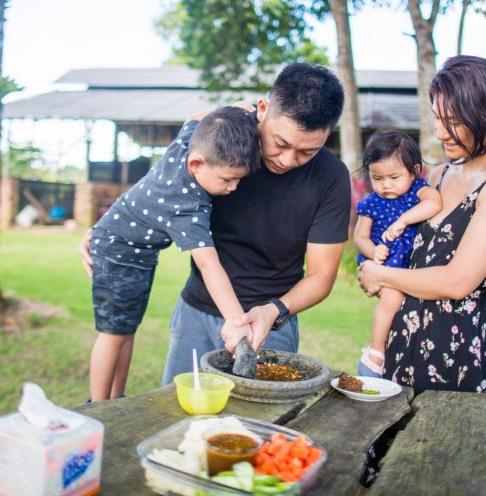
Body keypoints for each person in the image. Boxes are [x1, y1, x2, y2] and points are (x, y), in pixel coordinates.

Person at [80, 63, 351, 387]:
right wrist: (112, 231)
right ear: (262, 110)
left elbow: (321, 275)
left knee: (260, 418)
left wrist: (274, 310)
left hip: (269, 325)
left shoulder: (332, 178)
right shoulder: (225, 138)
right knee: (179, 413)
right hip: (196, 312)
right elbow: (165, 178)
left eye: (307, 151)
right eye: (280, 143)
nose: (287, 160)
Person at [358, 55, 486, 494]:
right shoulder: (437, 174)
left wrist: (383, 276)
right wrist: (375, 263)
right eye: (438, 119)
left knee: (446, 470)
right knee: (394, 474)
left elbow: (457, 281)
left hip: (457, 353)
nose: (440, 133)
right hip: (402, 343)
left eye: (453, 122)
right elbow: (396, 246)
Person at [86, 107, 260, 401]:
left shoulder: (189, 142)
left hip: (138, 255)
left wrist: (235, 108)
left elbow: (195, 119)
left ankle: (115, 400)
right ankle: (97, 406)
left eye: (239, 180)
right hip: (116, 252)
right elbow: (208, 265)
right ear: (197, 164)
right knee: (113, 333)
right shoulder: (186, 206)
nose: (233, 187)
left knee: (126, 330)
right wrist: (237, 320)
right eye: (227, 179)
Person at [352, 130, 442, 377]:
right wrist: (373, 251)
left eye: (394, 177)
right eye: (377, 178)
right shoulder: (371, 203)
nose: (386, 185)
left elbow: (435, 203)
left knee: (403, 305)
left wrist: (404, 220)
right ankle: (375, 352)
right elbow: (359, 237)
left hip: (408, 262)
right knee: (392, 298)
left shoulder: (418, 190)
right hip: (385, 262)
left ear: (414, 171)